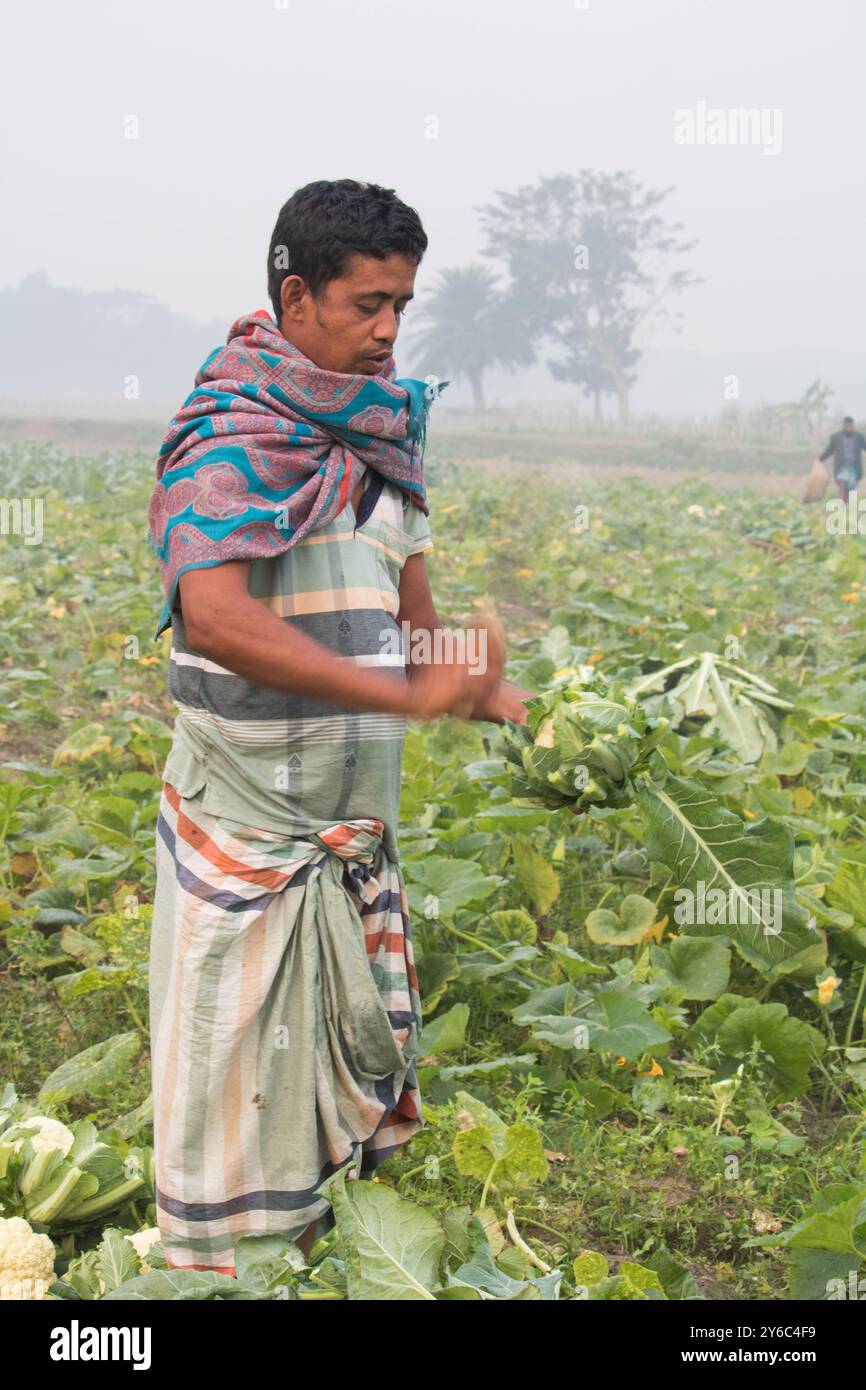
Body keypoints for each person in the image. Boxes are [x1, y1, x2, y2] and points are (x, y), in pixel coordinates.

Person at [145, 179, 532, 1276]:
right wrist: (394, 697)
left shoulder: (385, 450)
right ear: (295, 294)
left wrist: (474, 675)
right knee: (228, 1120)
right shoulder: (225, 441)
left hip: (348, 845)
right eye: (366, 303)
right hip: (248, 843)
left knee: (324, 1139)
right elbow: (214, 618)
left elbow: (409, 637)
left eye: (402, 305)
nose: (386, 330)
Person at [817, 415, 866, 502]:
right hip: (841, 468)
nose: (849, 428)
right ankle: (841, 508)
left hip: (854, 469)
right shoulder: (836, 437)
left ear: (852, 425)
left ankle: (851, 510)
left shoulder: (859, 437)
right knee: (842, 486)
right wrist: (820, 459)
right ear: (843, 425)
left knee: (851, 490)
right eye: (847, 426)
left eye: (850, 426)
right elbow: (829, 450)